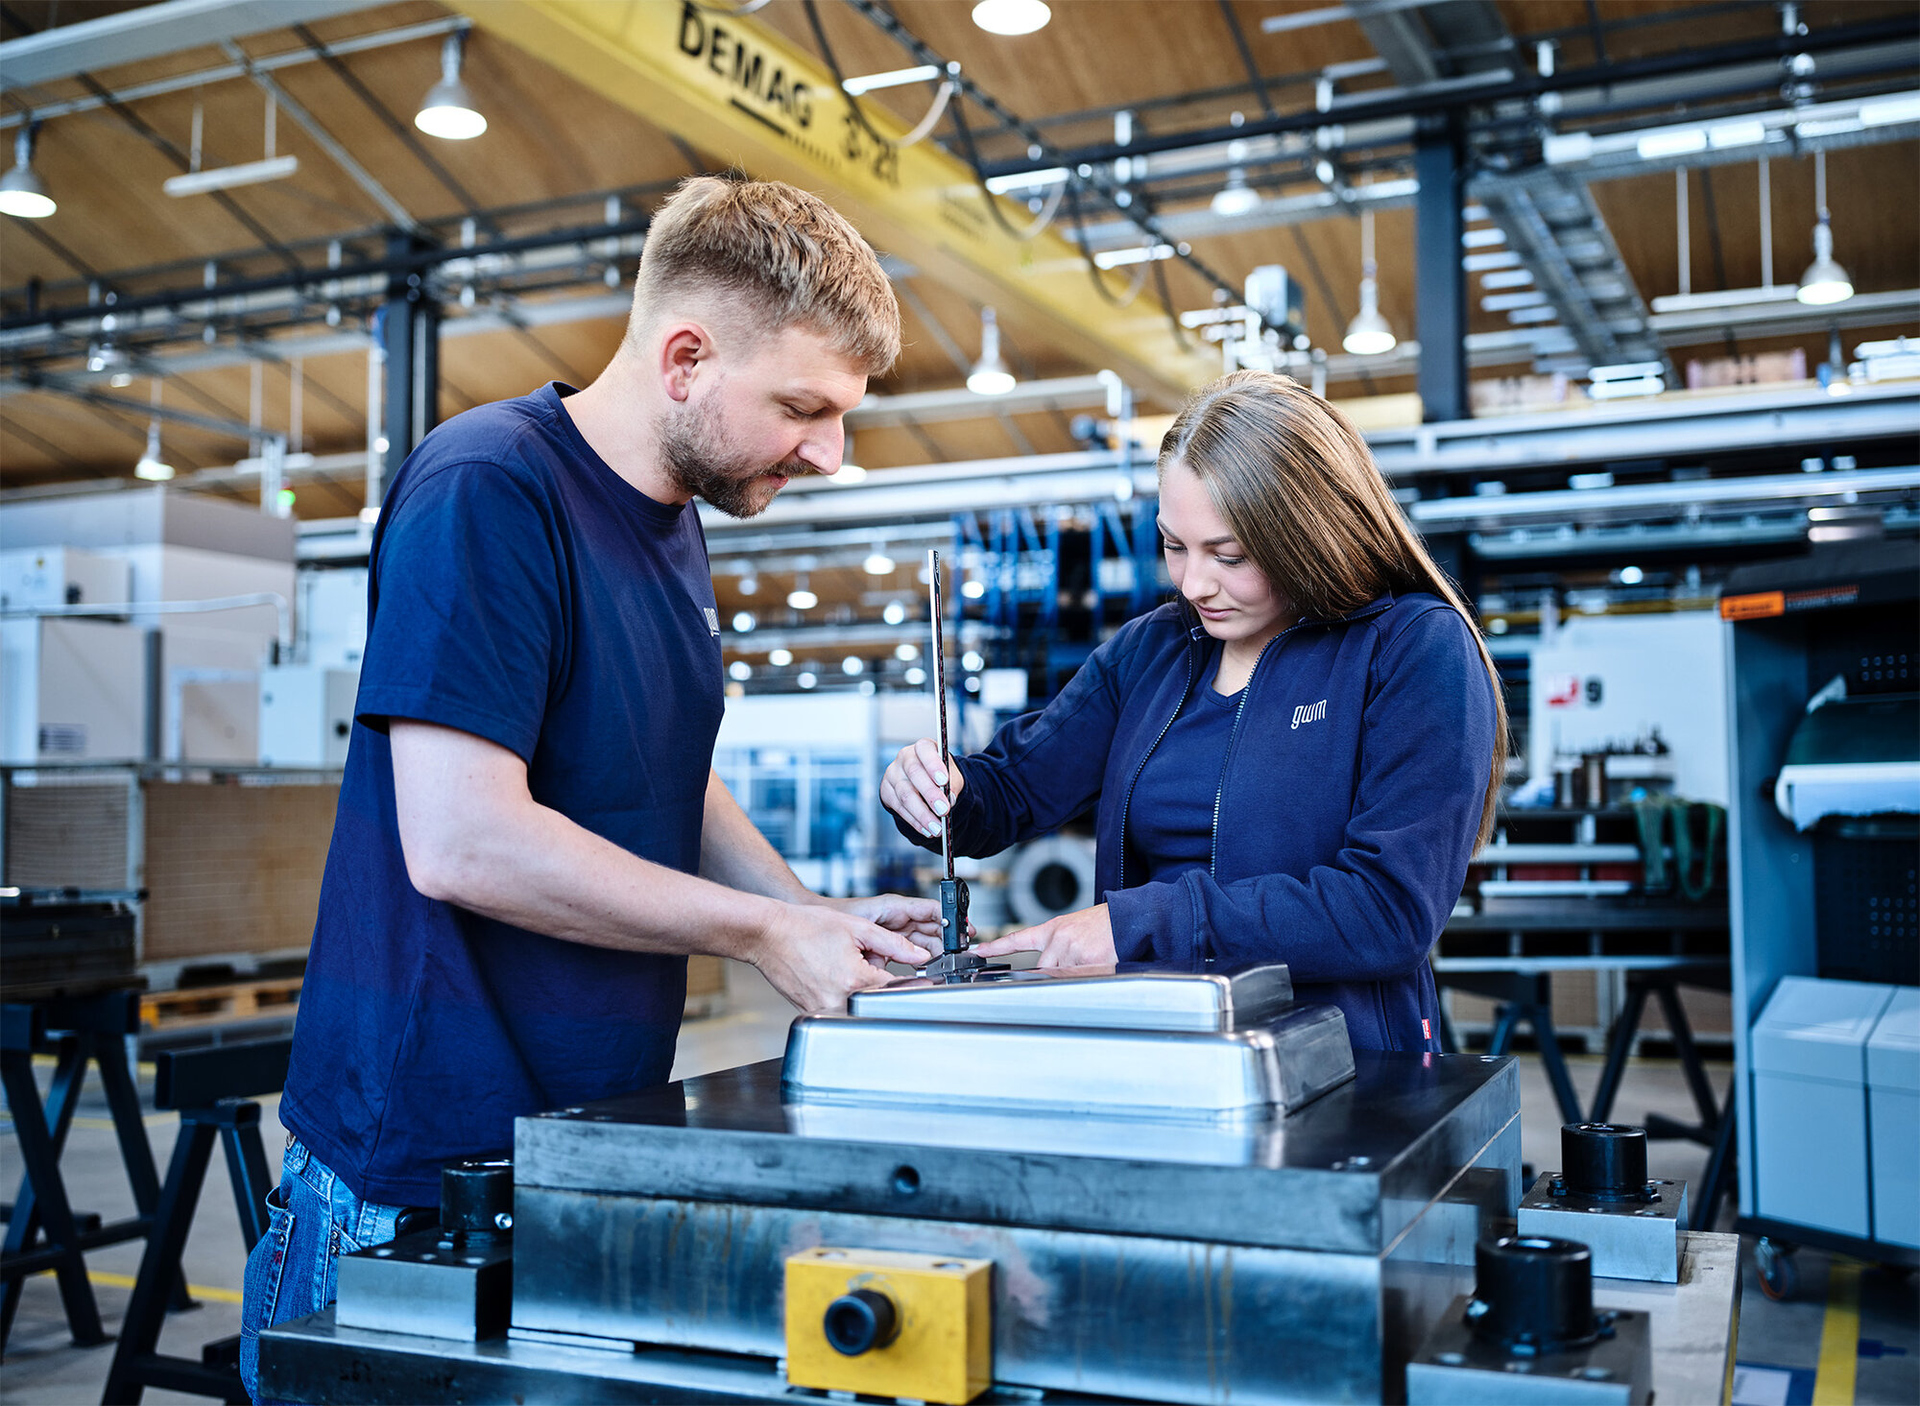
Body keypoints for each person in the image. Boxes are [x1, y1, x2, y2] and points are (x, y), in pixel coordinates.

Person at [240, 176, 943, 1399]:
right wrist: (761, 933)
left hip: (585, 1141)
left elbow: (668, 772)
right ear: (686, 359)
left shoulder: (672, 522)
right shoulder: (488, 487)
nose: (830, 452)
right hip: (423, 1176)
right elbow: (463, 839)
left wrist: (816, 917)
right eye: (802, 408)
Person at [881, 369, 1507, 1054]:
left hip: (1348, 1066)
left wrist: (1140, 924)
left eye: (1230, 556)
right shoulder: (1153, 650)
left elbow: (1386, 910)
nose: (1194, 585)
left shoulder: (1411, 648)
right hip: (1158, 1048)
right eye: (1175, 546)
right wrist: (938, 791)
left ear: (1311, 536)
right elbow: (1010, 791)